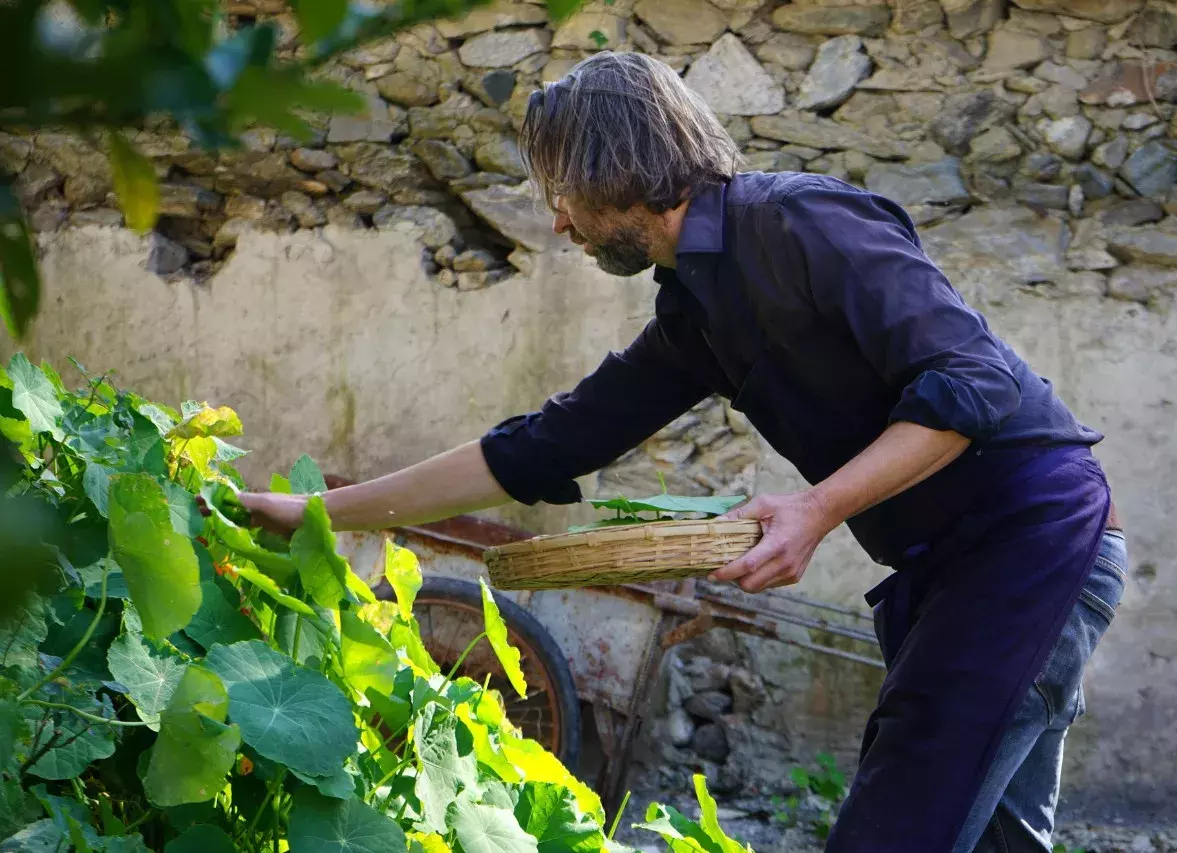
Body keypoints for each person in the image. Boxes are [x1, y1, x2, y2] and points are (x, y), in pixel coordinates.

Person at [241, 51, 1127, 852]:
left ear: (612, 167)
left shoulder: (804, 223)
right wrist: (311, 512)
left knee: (896, 831)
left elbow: (974, 384)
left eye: (563, 193)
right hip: (969, 568)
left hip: (1030, 542)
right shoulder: (698, 313)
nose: (560, 224)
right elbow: (543, 445)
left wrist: (815, 510)